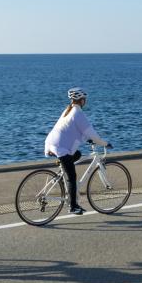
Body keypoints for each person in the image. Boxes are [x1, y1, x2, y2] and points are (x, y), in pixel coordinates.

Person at [43, 87, 109, 216]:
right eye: (85, 99)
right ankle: (73, 206)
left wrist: (89, 138)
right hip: (60, 148)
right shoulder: (78, 113)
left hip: (52, 143)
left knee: (77, 154)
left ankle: (62, 167)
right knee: (72, 177)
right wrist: (105, 143)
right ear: (82, 100)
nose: (86, 101)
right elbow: (90, 132)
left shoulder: (68, 110)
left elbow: (73, 129)